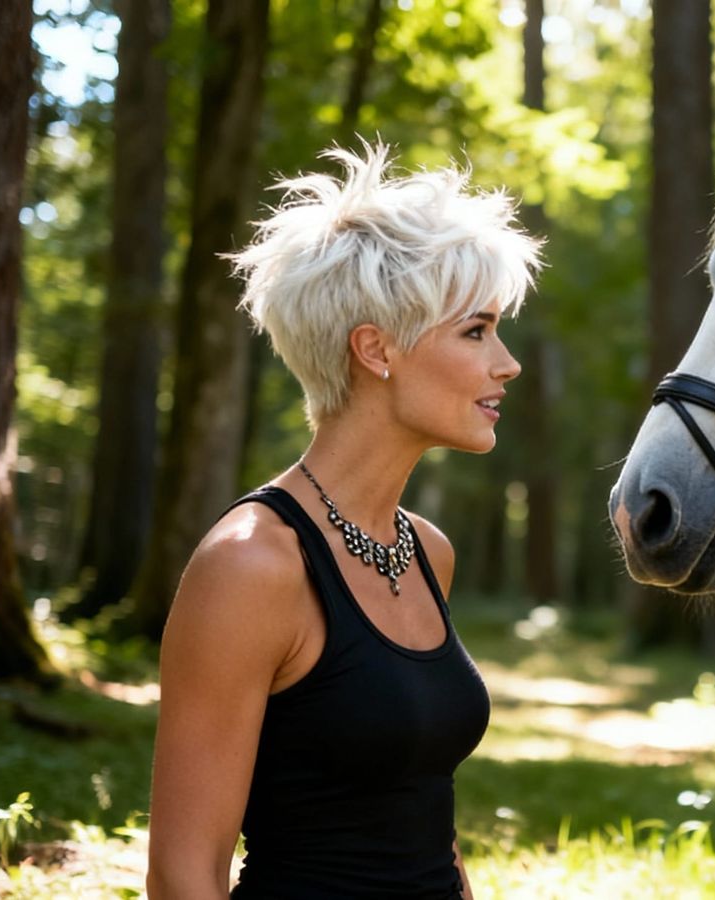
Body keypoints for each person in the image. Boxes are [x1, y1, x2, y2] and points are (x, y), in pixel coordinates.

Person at [145, 143, 541, 899]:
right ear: (375, 349)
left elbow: (425, 823)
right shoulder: (249, 566)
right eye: (476, 330)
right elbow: (182, 874)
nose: (507, 363)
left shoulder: (428, 552)